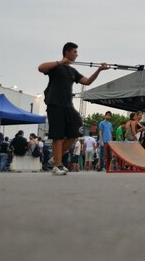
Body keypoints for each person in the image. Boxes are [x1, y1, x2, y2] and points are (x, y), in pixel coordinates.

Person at [38, 42, 109, 175]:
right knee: (58, 135)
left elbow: (87, 81)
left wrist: (99, 70)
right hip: (55, 104)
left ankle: (56, 158)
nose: (77, 54)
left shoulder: (72, 71)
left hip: (68, 106)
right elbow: (40, 68)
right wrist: (60, 62)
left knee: (75, 132)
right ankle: (57, 165)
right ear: (67, 52)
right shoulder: (56, 67)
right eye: (75, 52)